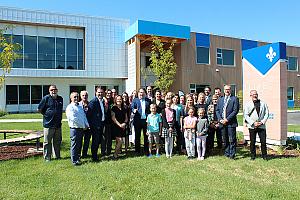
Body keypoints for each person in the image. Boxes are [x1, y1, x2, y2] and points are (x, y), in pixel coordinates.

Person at [38, 85, 63, 162]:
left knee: (57, 141)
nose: (53, 91)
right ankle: (47, 157)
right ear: (49, 91)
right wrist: (46, 115)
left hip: (58, 125)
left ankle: (57, 156)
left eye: (55, 89)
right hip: (48, 124)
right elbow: (39, 109)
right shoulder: (46, 98)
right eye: (52, 90)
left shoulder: (60, 98)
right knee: (47, 142)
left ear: (57, 90)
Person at [244, 90, 269, 160]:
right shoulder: (248, 104)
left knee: (263, 142)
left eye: (256, 94)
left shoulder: (263, 103)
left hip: (261, 126)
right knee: (252, 142)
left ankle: (264, 156)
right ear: (250, 96)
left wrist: (262, 122)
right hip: (252, 126)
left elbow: (267, 113)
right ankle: (253, 156)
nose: (255, 96)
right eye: (253, 94)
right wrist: (253, 123)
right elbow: (246, 115)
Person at [66, 92, 89, 166]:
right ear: (71, 98)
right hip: (74, 129)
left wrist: (87, 125)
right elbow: (73, 118)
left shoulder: (80, 106)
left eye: (77, 97)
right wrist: (82, 125)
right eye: (74, 97)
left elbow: (83, 117)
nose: (76, 98)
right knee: (74, 145)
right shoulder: (70, 107)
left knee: (79, 144)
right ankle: (74, 160)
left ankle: (78, 158)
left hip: (81, 128)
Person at [216, 85, 239, 159]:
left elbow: (235, 110)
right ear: (223, 90)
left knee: (232, 139)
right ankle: (227, 152)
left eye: (228, 89)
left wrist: (227, 119)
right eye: (225, 89)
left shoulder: (234, 99)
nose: (227, 91)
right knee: (225, 139)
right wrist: (220, 119)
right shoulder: (220, 99)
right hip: (222, 122)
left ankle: (232, 154)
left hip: (231, 123)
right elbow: (217, 110)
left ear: (230, 90)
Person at [87, 87, 107, 161]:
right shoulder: (93, 102)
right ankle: (94, 157)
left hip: (101, 124)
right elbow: (89, 115)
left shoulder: (102, 101)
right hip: (95, 125)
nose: (100, 94)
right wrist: (91, 125)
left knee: (98, 141)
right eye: (99, 92)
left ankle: (96, 155)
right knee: (95, 141)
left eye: (101, 92)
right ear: (96, 93)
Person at [131, 88, 151, 155]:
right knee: (137, 136)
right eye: (140, 92)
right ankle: (137, 150)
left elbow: (150, 109)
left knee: (146, 136)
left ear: (145, 93)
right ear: (138, 93)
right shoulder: (135, 100)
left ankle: (146, 150)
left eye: (142, 92)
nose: (141, 94)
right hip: (137, 121)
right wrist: (134, 110)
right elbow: (132, 107)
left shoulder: (148, 100)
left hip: (146, 121)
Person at [79, 90, 91, 158]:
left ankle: (84, 154)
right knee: (79, 141)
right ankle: (78, 154)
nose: (84, 97)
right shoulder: (78, 105)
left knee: (87, 141)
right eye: (83, 95)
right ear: (81, 96)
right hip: (80, 126)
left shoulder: (90, 104)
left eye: (86, 95)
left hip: (88, 126)